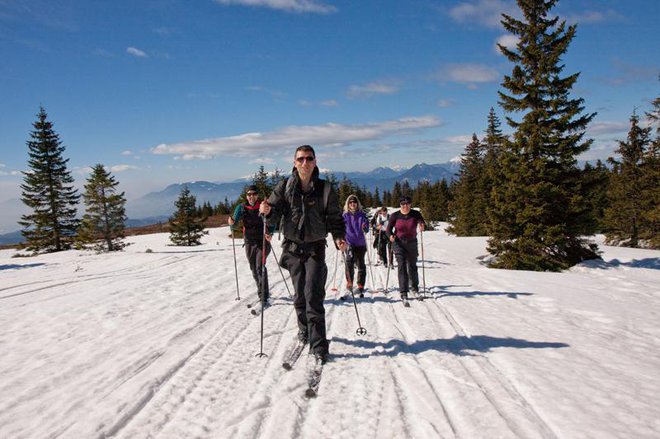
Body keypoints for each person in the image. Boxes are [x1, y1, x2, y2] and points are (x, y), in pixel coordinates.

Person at [259, 145, 346, 364]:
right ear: (295, 162)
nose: (305, 163)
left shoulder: (325, 189)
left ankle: (319, 346)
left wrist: (338, 236)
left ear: (315, 161)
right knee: (299, 296)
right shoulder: (284, 186)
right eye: (301, 159)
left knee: (313, 296)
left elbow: (335, 217)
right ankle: (304, 330)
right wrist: (267, 213)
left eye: (309, 158)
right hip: (293, 248)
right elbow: (273, 213)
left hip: (316, 249)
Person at [228, 185, 274, 304]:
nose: (251, 197)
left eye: (253, 194)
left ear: (257, 195)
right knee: (253, 268)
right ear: (246, 196)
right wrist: (231, 223)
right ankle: (261, 290)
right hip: (249, 242)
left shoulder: (263, 206)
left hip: (263, 241)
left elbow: (272, 220)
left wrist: (270, 233)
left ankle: (263, 297)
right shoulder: (241, 207)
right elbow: (234, 222)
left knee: (260, 267)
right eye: (249, 194)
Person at [386, 196, 426, 300]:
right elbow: (388, 229)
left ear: (410, 204)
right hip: (398, 243)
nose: (405, 206)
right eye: (403, 204)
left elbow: (421, 221)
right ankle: (403, 291)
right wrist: (390, 235)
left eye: (407, 204)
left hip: (412, 242)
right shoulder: (395, 215)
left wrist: (421, 225)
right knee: (402, 265)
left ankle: (414, 288)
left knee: (412, 265)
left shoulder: (415, 213)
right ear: (400, 205)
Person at [342, 194, 369, 297]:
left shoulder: (362, 215)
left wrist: (365, 226)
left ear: (357, 204)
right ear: (348, 204)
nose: (352, 204)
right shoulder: (345, 215)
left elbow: (366, 228)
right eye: (350, 202)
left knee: (361, 264)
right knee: (349, 262)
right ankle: (349, 283)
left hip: (361, 243)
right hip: (349, 243)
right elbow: (340, 227)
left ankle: (361, 284)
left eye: (354, 202)